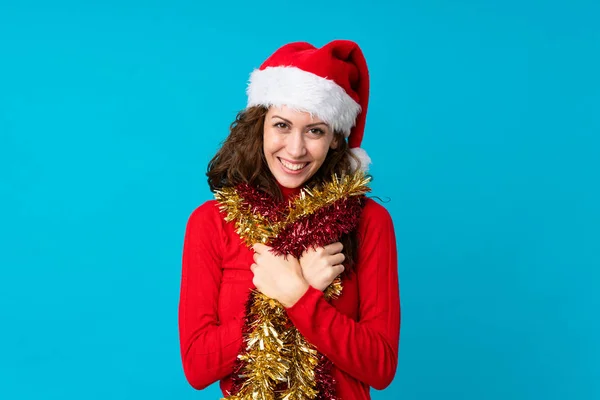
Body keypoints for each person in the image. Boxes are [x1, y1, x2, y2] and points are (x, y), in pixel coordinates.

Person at [178, 40, 401, 400]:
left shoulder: (370, 221)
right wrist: (279, 296)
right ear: (260, 126)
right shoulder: (211, 222)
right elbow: (198, 367)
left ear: (334, 140)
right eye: (282, 125)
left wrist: (299, 296)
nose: (296, 150)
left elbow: (380, 366)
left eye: (314, 130)